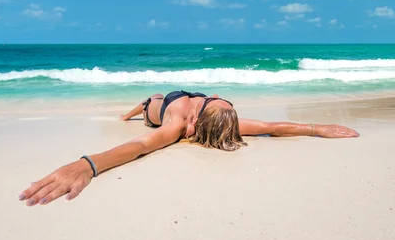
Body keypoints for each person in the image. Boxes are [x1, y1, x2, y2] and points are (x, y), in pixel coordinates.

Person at [19, 90, 359, 207]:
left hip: (195, 101)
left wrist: (319, 129)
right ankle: (129, 111)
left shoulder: (222, 114)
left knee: (168, 102)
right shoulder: (177, 124)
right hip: (163, 103)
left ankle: (150, 105)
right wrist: (86, 165)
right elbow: (139, 145)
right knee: (148, 105)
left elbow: (273, 127)